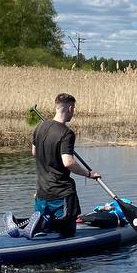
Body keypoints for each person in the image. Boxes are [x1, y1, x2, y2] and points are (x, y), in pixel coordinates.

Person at [29, 92, 100, 237]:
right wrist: (89, 174)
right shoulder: (67, 133)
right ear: (70, 109)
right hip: (61, 194)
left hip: (41, 193)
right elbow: (68, 163)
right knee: (67, 233)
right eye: (73, 109)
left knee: (45, 230)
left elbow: (34, 152)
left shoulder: (39, 127)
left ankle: (40, 226)